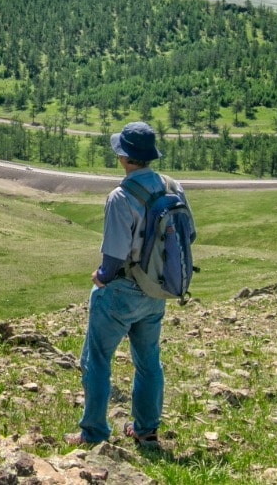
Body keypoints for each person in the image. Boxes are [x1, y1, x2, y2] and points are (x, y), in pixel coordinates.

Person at [66, 120, 176, 447]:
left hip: (122, 291)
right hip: (156, 289)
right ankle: (145, 431)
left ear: (124, 157)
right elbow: (188, 235)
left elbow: (113, 256)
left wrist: (101, 277)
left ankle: (94, 433)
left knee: (96, 359)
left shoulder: (121, 196)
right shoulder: (172, 186)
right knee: (148, 362)